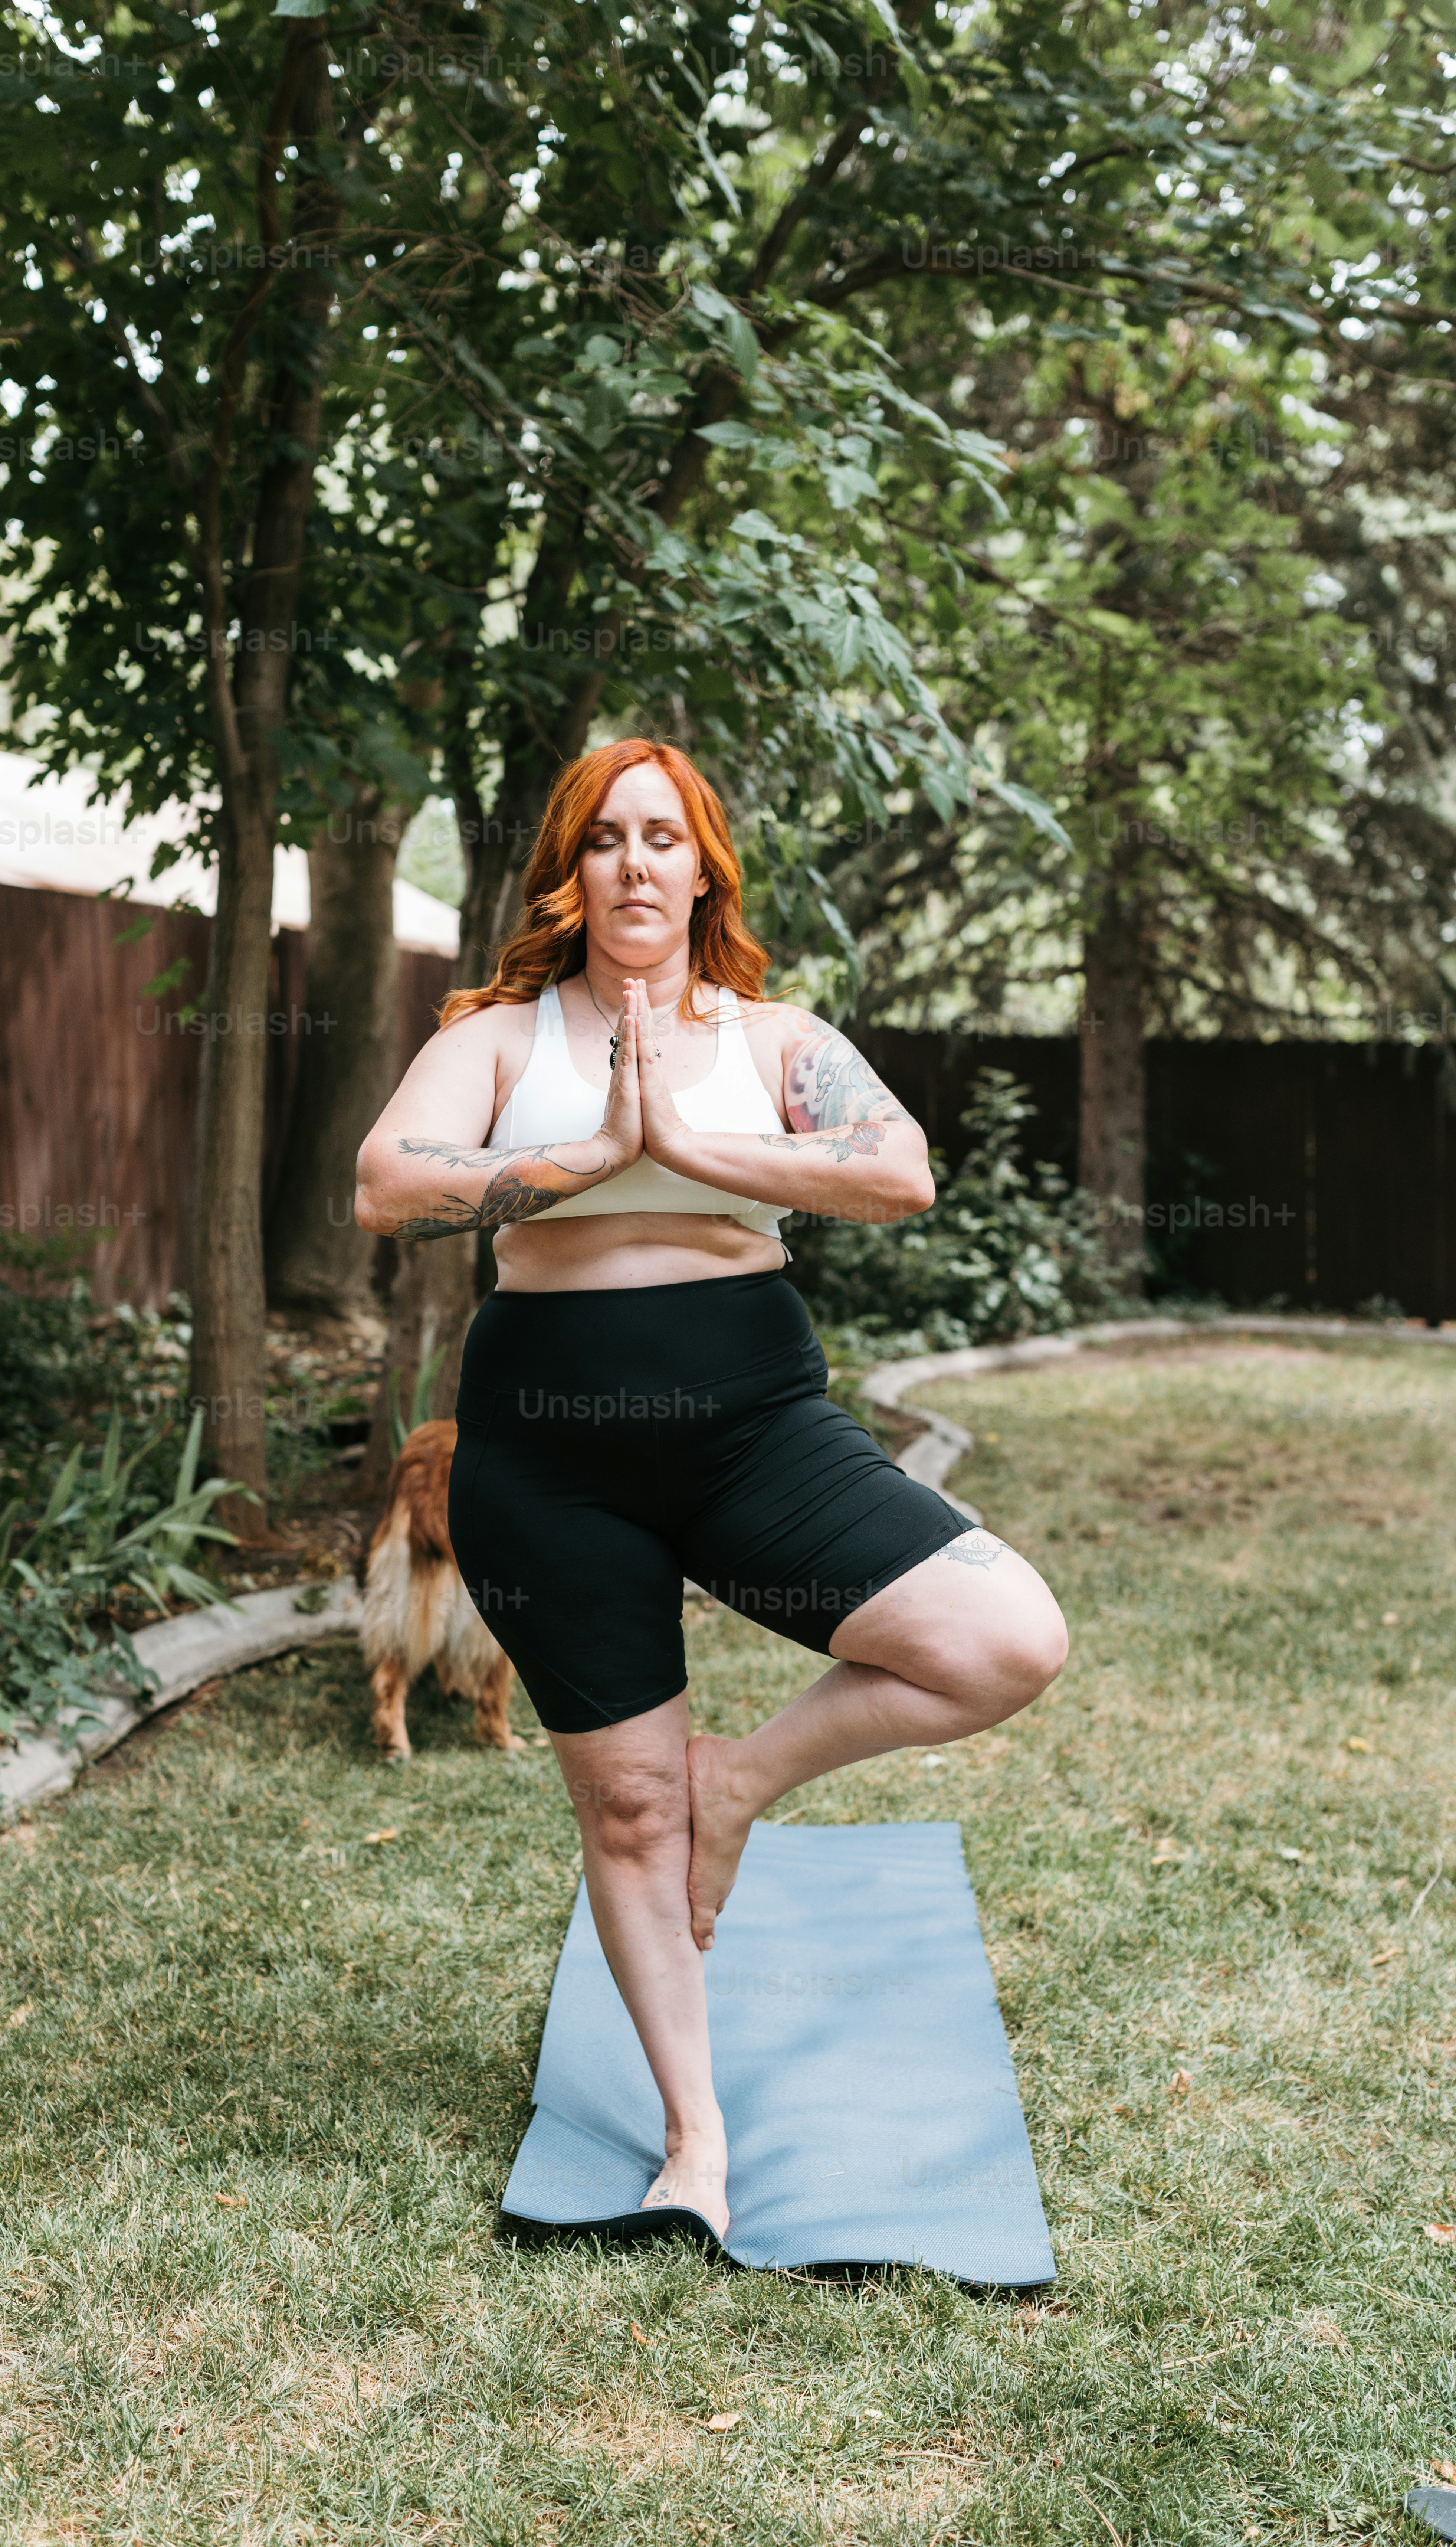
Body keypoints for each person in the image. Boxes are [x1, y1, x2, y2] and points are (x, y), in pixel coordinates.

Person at [355, 739, 1068, 2240]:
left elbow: (899, 1171)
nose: (632, 863)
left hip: (754, 1432)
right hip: (548, 1459)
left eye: (660, 838)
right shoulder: (500, 1036)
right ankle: (696, 2138)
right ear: (570, 869)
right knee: (622, 1808)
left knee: (1004, 1639)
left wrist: (688, 1142)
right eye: (603, 837)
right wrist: (593, 1150)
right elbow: (388, 1183)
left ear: (701, 870)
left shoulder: (774, 1035)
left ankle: (737, 1783)